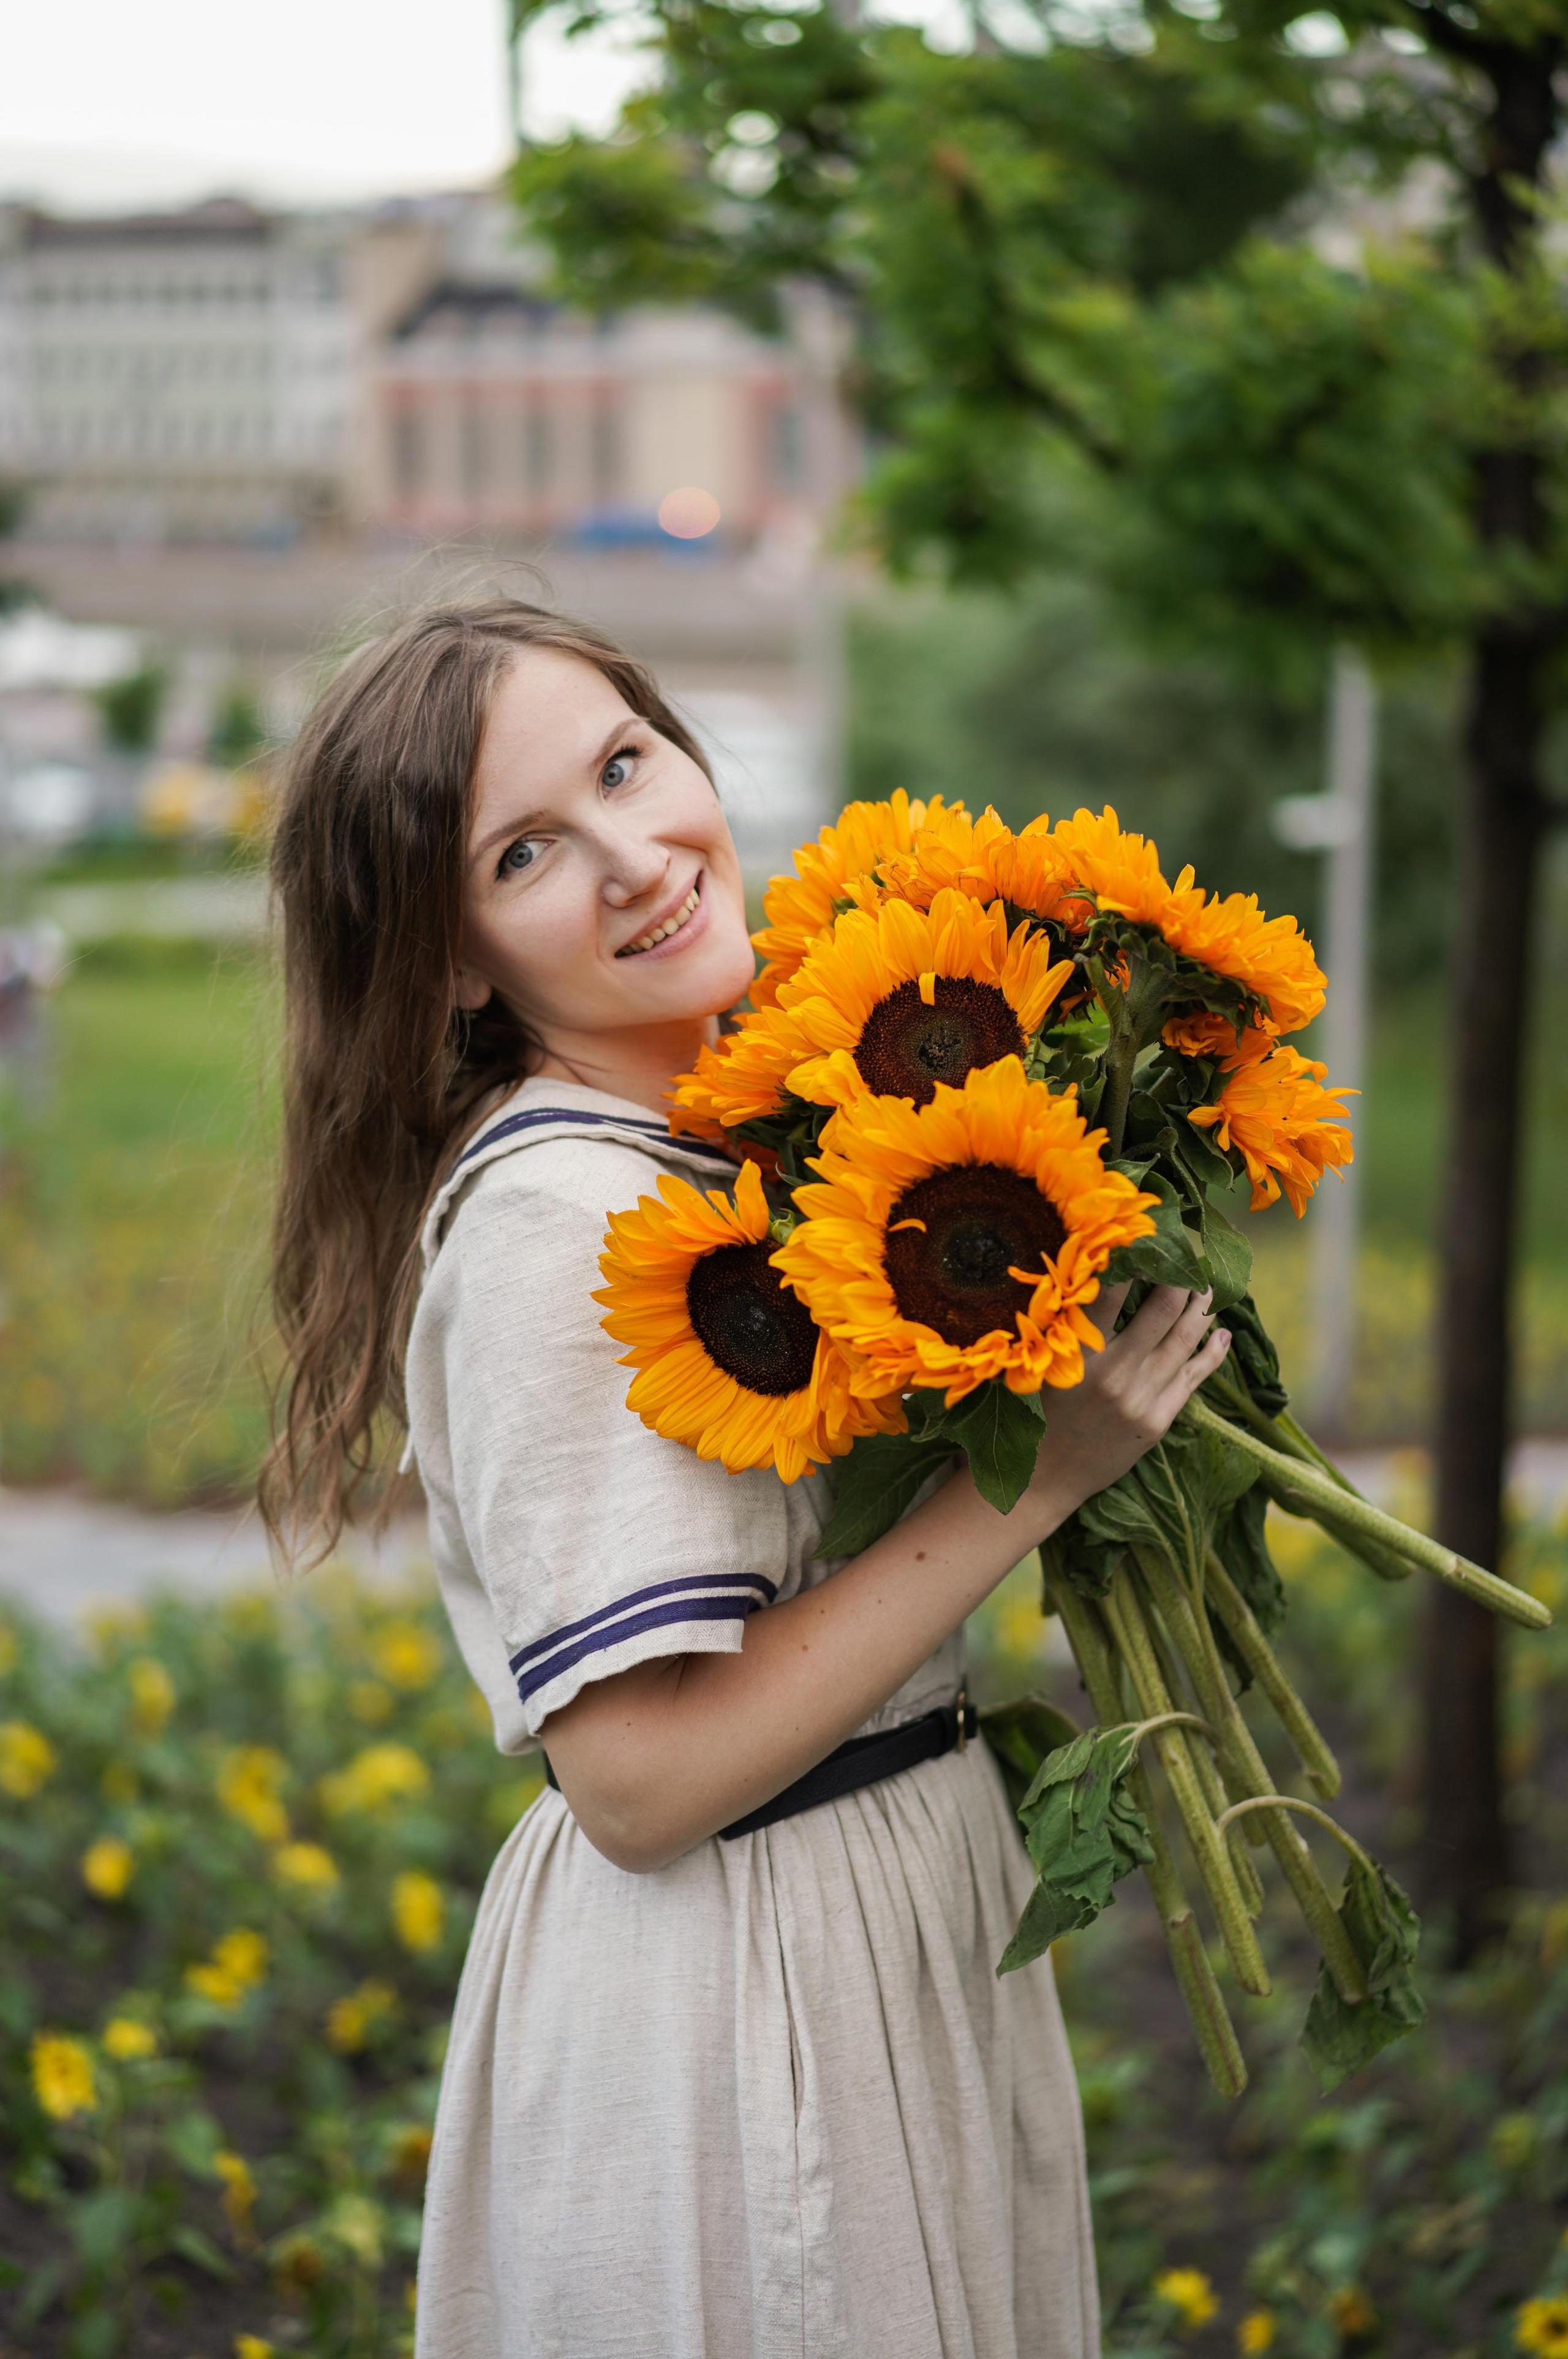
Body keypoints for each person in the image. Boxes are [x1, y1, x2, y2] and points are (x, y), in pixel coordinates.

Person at [262, 597, 1233, 2359]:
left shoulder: (734, 1134)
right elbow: (633, 1775)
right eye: (532, 849)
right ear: (455, 958)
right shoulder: (563, 1225)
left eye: (628, 763)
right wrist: (1038, 1478)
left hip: (855, 1913)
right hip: (740, 1979)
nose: (639, 857)